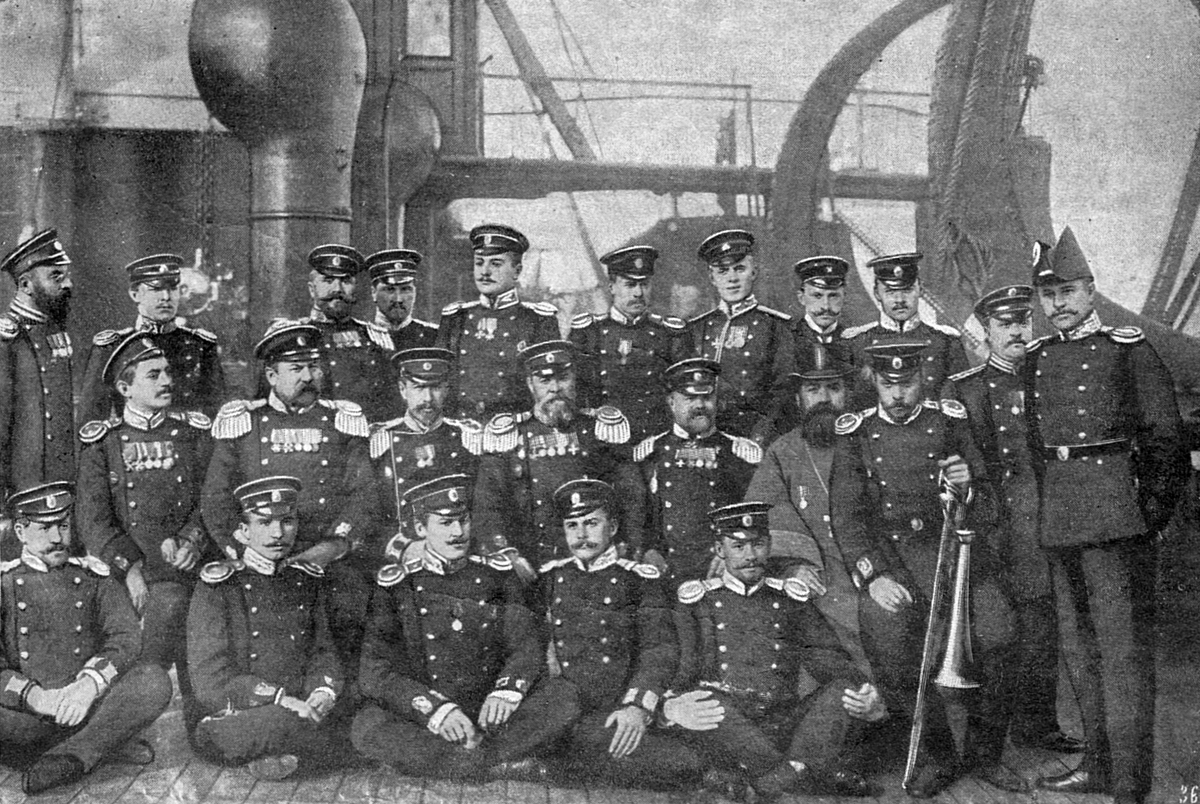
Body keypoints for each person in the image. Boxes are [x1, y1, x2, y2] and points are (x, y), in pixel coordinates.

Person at [1025, 228, 1187, 804]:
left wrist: (1146, 517)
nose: (1058, 304)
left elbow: (1165, 441)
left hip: (1118, 522)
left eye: (1068, 292)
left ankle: (1129, 787)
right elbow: (1037, 446)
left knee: (1122, 657)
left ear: (1090, 290)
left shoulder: (1128, 350)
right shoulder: (1038, 358)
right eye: (1049, 295)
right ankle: (1097, 767)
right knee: (1081, 652)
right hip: (1061, 519)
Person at [829, 341, 1020, 797]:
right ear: (875, 383)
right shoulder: (857, 433)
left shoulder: (950, 422)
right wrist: (873, 576)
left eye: (907, 384)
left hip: (956, 557)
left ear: (922, 380)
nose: (898, 394)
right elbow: (847, 517)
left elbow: (990, 504)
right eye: (888, 385)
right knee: (889, 637)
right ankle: (940, 754)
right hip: (894, 563)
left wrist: (967, 488)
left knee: (1000, 634)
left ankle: (985, 755)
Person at [351, 473, 579, 781]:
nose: (458, 532)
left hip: (491, 713)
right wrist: (435, 710)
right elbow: (375, 670)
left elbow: (525, 646)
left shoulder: (498, 576)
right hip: (431, 716)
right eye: (445, 523)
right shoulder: (397, 586)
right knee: (366, 726)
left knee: (564, 696)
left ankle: (465, 761)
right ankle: (492, 762)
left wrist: (507, 692)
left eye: (464, 520)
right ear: (421, 529)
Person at [667, 501, 883, 800]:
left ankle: (774, 777)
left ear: (768, 545)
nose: (750, 555)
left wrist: (866, 690)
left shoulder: (790, 598)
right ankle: (802, 772)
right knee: (707, 701)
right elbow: (683, 666)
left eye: (757, 544)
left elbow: (827, 657)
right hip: (728, 724)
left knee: (844, 689)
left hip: (782, 721)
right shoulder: (698, 601)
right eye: (738, 546)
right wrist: (671, 704)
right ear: (719, 550)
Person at [946, 285, 1083, 753]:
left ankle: (1037, 725)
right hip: (989, 522)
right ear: (986, 331)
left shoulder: (1047, 377)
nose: (1016, 332)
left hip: (1044, 518)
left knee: (1041, 627)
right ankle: (987, 742)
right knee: (996, 632)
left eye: (1023, 322)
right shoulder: (964, 388)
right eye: (1004, 324)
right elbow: (957, 456)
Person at [203, 320, 375, 675]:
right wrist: (246, 551)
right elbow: (216, 500)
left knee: (352, 605)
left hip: (325, 556)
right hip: (258, 557)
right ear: (271, 375)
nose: (308, 377)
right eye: (296, 368)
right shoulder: (243, 423)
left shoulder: (341, 420)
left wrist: (334, 546)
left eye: (314, 366)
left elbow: (363, 495)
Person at [76, 334, 214, 731]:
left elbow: (212, 501)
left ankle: (202, 721)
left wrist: (192, 540)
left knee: (184, 613)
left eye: (168, 372)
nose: (167, 381)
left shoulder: (192, 434)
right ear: (125, 388)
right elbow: (93, 520)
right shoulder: (103, 443)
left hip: (188, 566)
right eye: (154, 375)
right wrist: (131, 568)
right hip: (128, 572)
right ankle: (123, 721)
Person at [0, 481, 171, 795]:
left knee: (154, 680)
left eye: (63, 526)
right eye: (45, 528)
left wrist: (88, 685)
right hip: (28, 713)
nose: (57, 538)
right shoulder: (4, 583)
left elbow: (125, 638)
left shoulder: (94, 577)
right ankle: (101, 745)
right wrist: (36, 697)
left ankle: (70, 757)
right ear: (21, 532)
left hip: (89, 706)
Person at [539, 478, 702, 789]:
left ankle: (561, 762)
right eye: (572, 526)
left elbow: (659, 649)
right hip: (561, 708)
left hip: (617, 706)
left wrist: (637, 706)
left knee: (684, 765)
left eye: (591, 523)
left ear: (612, 527)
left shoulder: (638, 580)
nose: (581, 535)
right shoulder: (551, 578)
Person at [187, 476, 344, 781]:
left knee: (349, 715)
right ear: (243, 532)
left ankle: (278, 754)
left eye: (287, 521)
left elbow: (323, 651)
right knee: (284, 723)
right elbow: (209, 681)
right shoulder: (219, 587)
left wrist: (322, 691)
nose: (278, 533)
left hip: (301, 707)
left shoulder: (305, 579)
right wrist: (280, 700)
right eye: (264, 522)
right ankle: (293, 749)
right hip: (241, 714)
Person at [472, 340, 645, 580]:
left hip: (596, 561)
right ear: (530, 384)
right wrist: (507, 554)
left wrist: (629, 545)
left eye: (563, 378)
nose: (555, 388)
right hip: (530, 562)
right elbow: (488, 505)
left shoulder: (599, 430)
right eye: (545, 381)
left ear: (574, 380)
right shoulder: (509, 435)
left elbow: (631, 495)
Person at [745, 340, 870, 673]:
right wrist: (793, 566)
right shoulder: (783, 451)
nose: (824, 398)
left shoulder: (871, 439)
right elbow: (763, 513)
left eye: (834, 388)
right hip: (817, 578)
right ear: (798, 398)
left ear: (848, 394)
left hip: (872, 570)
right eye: (813, 389)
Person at [633, 357, 761, 586]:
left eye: (707, 397)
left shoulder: (737, 453)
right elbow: (639, 514)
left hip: (720, 571)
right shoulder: (651, 453)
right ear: (672, 402)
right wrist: (647, 550)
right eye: (690, 398)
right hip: (665, 569)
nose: (700, 405)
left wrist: (733, 554)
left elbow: (752, 516)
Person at [364, 347, 482, 558]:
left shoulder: (468, 438)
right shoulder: (380, 441)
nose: (428, 398)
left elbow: (483, 507)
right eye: (418, 388)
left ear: (446, 389)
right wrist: (402, 549)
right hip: (404, 554)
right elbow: (367, 511)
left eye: (435, 387)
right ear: (403, 389)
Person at [78, 253, 225, 422]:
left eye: (173, 289)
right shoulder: (113, 347)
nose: (166, 297)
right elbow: (90, 421)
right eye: (156, 289)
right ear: (135, 294)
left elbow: (216, 414)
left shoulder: (200, 344)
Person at [436, 224, 560, 419]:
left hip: (516, 425)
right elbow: (438, 381)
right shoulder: (456, 318)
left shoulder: (538, 320)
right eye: (479, 263)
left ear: (517, 271)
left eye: (495, 264)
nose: (485, 272)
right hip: (461, 424)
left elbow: (549, 385)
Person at [568, 245, 688, 442]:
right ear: (612, 287)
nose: (638, 293)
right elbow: (576, 393)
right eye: (630, 285)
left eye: (644, 284)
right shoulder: (589, 332)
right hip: (603, 438)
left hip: (657, 438)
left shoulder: (669, 333)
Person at [686, 229, 795, 444]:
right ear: (712, 277)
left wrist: (760, 436)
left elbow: (783, 391)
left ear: (754, 272)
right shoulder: (697, 328)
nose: (732, 279)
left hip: (755, 435)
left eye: (740, 269)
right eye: (723, 271)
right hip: (705, 434)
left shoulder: (775, 326)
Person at [0, 230, 76, 511]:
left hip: (60, 490)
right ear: (25, 284)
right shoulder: (6, 340)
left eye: (66, 276)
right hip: (21, 494)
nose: (68, 284)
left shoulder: (55, 332)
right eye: (56, 276)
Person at [842, 253, 968, 406]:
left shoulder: (946, 341)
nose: (900, 300)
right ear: (877, 293)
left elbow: (962, 399)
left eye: (907, 290)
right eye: (890, 292)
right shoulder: (857, 343)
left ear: (920, 290)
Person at [301, 244, 397, 421]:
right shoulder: (293, 336)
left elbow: (392, 402)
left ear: (355, 288)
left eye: (346, 281)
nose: (337, 289)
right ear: (311, 289)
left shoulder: (374, 338)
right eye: (328, 280)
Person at [366, 248, 438, 352]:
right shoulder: (363, 336)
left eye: (405, 289)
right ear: (373, 292)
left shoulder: (434, 338)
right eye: (390, 290)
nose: (398, 299)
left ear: (415, 292)